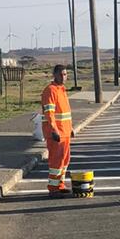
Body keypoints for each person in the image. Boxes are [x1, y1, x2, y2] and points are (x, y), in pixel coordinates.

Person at [41, 63, 73, 193]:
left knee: (64, 160)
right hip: (56, 132)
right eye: (60, 74)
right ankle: (53, 188)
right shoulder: (51, 90)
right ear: (54, 75)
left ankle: (60, 184)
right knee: (56, 160)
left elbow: (65, 112)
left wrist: (70, 128)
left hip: (65, 132)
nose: (63, 77)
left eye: (65, 74)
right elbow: (49, 113)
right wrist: (54, 129)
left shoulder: (62, 90)